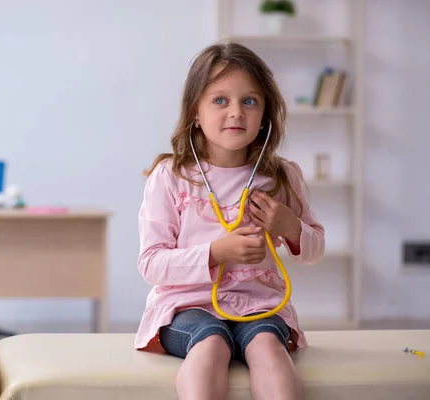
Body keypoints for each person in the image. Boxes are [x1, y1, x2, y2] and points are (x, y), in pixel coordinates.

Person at [135, 40, 325, 400]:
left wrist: (289, 227)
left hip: (260, 307)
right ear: (195, 111)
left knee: (268, 346)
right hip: (186, 308)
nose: (236, 112)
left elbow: (315, 250)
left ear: (265, 113)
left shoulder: (282, 177)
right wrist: (217, 252)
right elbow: (151, 264)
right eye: (220, 100)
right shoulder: (171, 176)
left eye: (249, 101)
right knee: (210, 344)